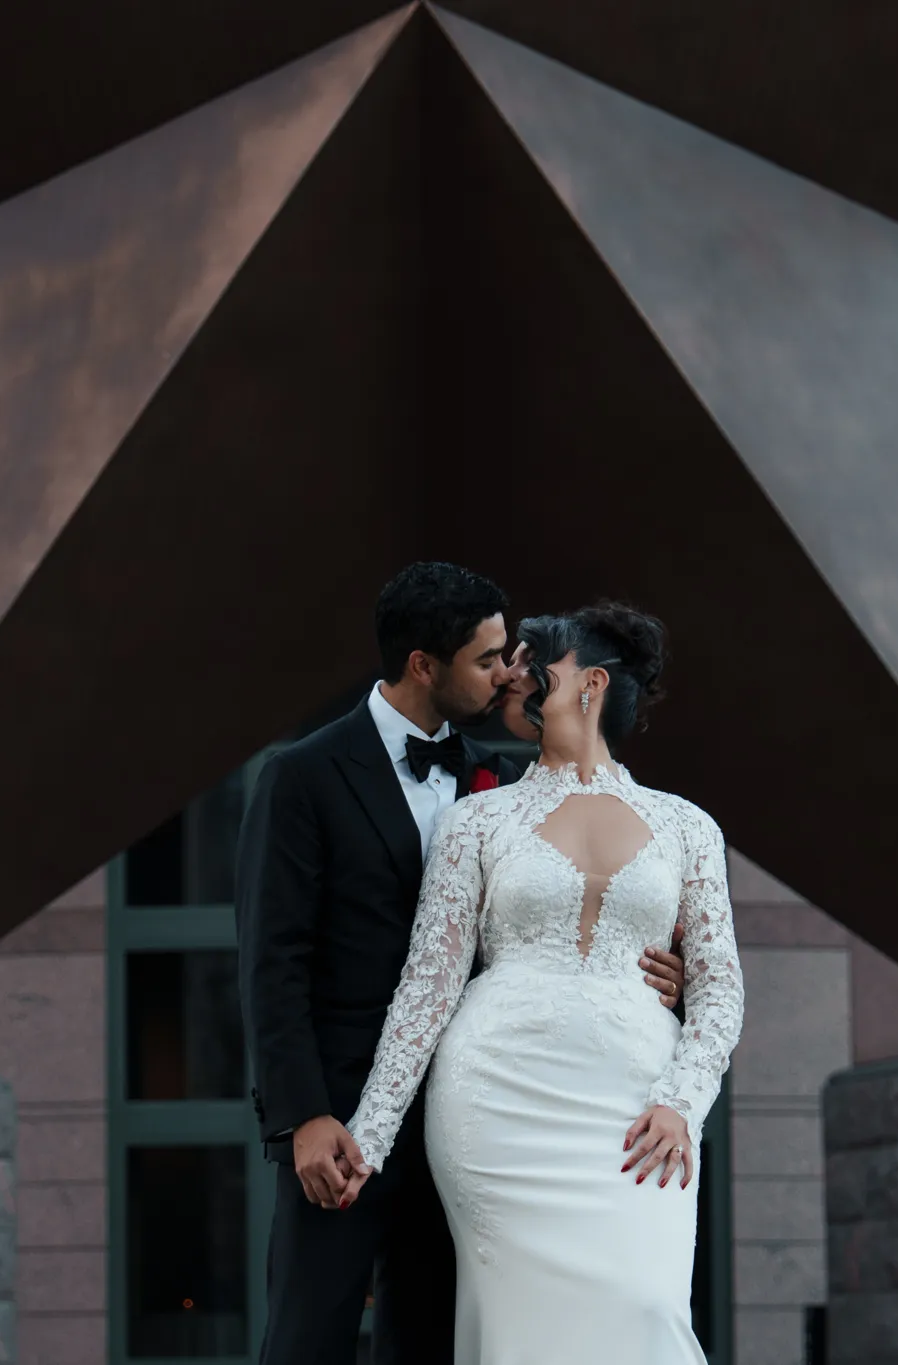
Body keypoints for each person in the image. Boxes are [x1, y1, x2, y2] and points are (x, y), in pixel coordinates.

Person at [236, 564, 687, 1365]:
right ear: (423, 664)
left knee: (437, 1342)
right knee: (308, 1337)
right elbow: (272, 962)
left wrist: (655, 980)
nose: (509, 672)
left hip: (476, 1115)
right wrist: (301, 1115)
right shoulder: (301, 776)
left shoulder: (507, 779)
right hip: (340, 1119)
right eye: (487, 659)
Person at [340, 601, 744, 1365]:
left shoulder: (688, 826)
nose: (515, 677)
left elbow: (721, 988)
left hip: (638, 1109)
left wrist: (681, 1101)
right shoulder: (478, 821)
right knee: (523, 1333)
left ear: (590, 684)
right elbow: (427, 988)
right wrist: (371, 1134)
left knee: (649, 1305)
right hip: (496, 1103)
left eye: (536, 666)